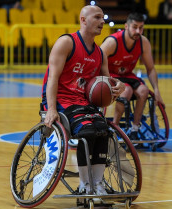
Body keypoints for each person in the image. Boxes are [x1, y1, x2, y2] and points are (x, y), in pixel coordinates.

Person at [42, 6, 125, 195]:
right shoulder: (66, 42)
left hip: (82, 102)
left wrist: (119, 86)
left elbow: (108, 82)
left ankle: (97, 184)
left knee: (104, 130)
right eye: (97, 17)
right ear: (83, 20)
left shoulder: (99, 53)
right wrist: (51, 109)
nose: (102, 22)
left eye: (103, 18)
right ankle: (84, 185)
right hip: (60, 100)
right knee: (87, 132)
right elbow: (52, 78)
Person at [100, 13, 164, 143]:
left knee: (144, 91)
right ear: (126, 26)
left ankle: (134, 129)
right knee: (127, 90)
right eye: (135, 27)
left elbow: (150, 68)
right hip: (111, 76)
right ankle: (115, 128)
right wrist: (105, 80)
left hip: (128, 75)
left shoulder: (143, 42)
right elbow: (98, 59)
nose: (138, 31)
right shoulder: (113, 42)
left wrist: (156, 90)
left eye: (141, 28)